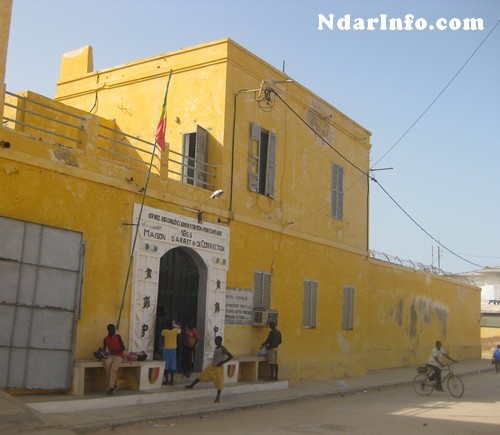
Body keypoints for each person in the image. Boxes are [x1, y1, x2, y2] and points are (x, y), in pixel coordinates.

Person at [185, 336, 233, 402]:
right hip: (212, 367)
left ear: (220, 341)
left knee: (219, 383)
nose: (216, 342)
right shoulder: (216, 348)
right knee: (202, 375)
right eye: (215, 340)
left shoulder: (223, 349)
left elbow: (231, 356)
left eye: (217, 341)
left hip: (218, 368)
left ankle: (218, 397)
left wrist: (222, 362)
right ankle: (192, 385)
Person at [102, 323, 125, 395]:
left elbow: (123, 348)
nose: (114, 330)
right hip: (111, 356)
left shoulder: (118, 337)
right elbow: (104, 349)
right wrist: (101, 352)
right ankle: (113, 384)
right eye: (112, 329)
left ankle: (111, 388)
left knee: (113, 368)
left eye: (114, 329)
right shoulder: (105, 339)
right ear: (108, 330)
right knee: (106, 363)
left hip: (119, 356)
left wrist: (115, 350)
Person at [161, 319, 180, 385]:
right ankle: (172, 380)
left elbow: (163, 339)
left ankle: (166, 380)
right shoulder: (175, 331)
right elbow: (179, 327)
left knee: (166, 365)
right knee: (173, 365)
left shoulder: (164, 331)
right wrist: (175, 323)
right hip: (173, 349)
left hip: (166, 349)